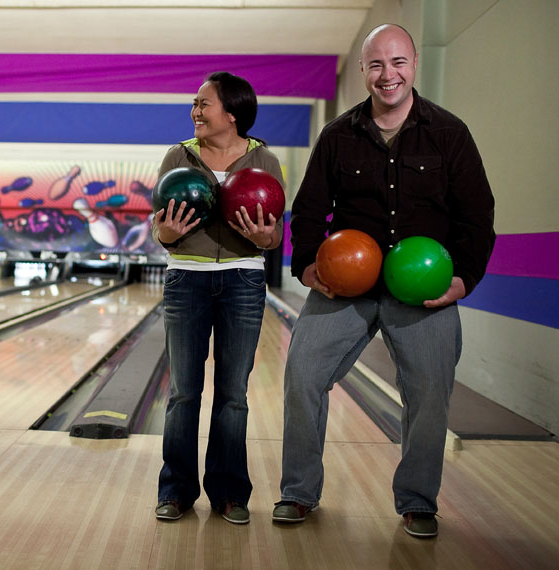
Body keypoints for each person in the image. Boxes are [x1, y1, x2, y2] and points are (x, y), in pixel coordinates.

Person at [274, 24, 495, 537]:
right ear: (363, 72)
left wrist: (464, 279)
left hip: (423, 291)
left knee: (429, 391)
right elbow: (308, 212)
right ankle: (297, 492)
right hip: (347, 288)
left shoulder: (449, 133)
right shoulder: (337, 135)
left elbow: (477, 215)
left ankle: (418, 501)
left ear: (414, 64)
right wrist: (307, 264)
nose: (387, 74)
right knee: (303, 373)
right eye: (376, 64)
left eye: (397, 63)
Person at [152, 71, 285, 525]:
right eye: (194, 104)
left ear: (232, 112)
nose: (195, 112)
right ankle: (176, 491)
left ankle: (230, 493)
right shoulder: (178, 156)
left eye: (203, 104)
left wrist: (268, 238)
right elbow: (160, 225)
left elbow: (276, 232)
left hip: (243, 281)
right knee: (184, 393)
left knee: (233, 395)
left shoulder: (264, 160)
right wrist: (165, 234)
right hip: (186, 278)